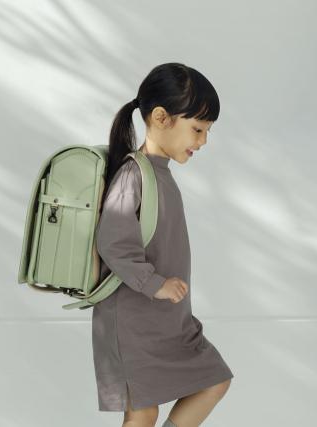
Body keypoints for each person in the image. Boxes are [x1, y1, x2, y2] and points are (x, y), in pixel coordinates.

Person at [93, 62, 233, 427]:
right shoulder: (133, 174)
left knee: (214, 380)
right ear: (161, 117)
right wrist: (155, 284)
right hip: (133, 322)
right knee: (143, 412)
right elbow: (113, 243)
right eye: (198, 129)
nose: (203, 141)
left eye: (207, 131)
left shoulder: (160, 175)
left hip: (169, 321)